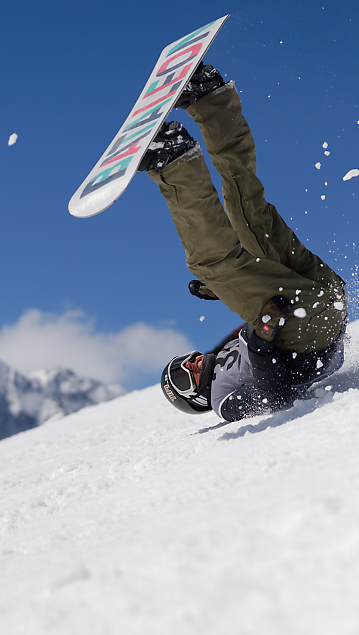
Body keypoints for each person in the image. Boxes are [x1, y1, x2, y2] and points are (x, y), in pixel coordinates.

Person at [139, 64, 347, 422]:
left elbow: (260, 314)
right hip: (310, 333)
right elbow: (272, 397)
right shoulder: (221, 400)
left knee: (248, 213)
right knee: (211, 263)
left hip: (324, 301)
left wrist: (230, 296)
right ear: (193, 399)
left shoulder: (225, 354)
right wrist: (261, 340)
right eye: (182, 375)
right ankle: (173, 161)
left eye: (182, 360)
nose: (191, 362)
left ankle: (211, 99)